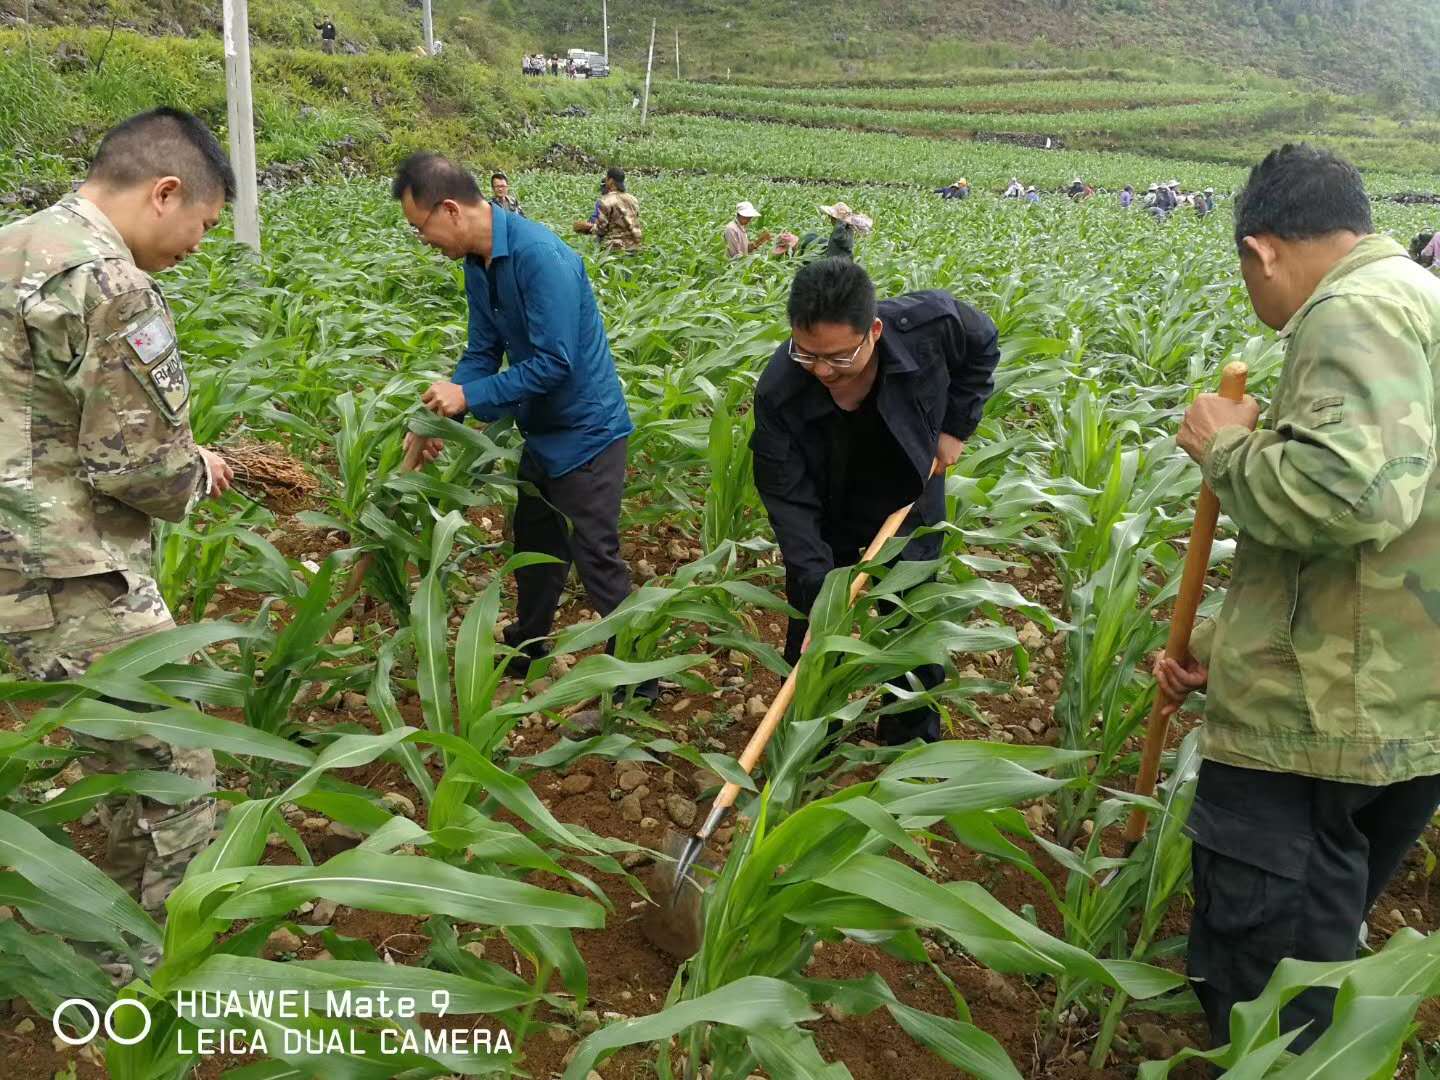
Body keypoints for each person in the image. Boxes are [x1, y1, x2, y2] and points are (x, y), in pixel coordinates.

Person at [1156, 144, 1440, 1054]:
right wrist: (1217, 641)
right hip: (1397, 700)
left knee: (1270, 992)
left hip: (1316, 729)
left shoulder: (1351, 311)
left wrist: (1225, 448)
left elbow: (1352, 496)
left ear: (1262, 251)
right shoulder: (1419, 298)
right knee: (1322, 939)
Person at [0, 108, 236, 978]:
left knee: (114, 751)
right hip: (69, 572)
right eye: (204, 225)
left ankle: (106, 929)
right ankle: (143, 973)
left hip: (12, 573)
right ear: (164, 191)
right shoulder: (109, 281)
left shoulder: (15, 240)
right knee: (177, 767)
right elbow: (138, 468)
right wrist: (202, 469)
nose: (200, 245)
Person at [392, 153, 653, 716]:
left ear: (451, 210)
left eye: (421, 228)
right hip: (543, 432)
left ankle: (638, 682)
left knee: (595, 556)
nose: (423, 240)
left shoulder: (541, 257)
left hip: (587, 433)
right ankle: (528, 644)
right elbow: (484, 351)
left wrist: (471, 396)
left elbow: (556, 362)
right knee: (535, 543)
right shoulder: (477, 263)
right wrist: (449, 413)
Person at [751, 259, 1000, 744]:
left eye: (840, 358)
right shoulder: (781, 390)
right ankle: (802, 745)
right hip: (829, 507)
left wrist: (956, 427)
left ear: (875, 331)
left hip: (909, 493)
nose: (822, 370)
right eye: (807, 354)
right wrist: (822, 596)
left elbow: (982, 342)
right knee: (811, 619)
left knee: (912, 618)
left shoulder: (933, 324)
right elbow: (788, 499)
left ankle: (907, 745)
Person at [574, 167, 642, 252]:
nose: (605, 181)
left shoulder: (606, 201)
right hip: (635, 245)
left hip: (616, 247)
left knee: (597, 239)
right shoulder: (633, 199)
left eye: (606, 178)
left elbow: (601, 230)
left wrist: (586, 227)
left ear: (611, 181)